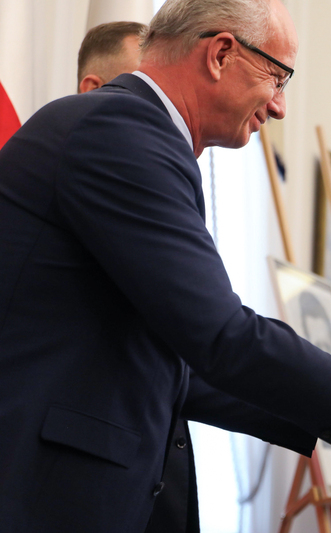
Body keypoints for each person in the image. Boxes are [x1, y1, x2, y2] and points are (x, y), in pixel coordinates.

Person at [0, 0, 331, 531]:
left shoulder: (134, 133)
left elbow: (180, 368)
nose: (281, 106)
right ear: (220, 54)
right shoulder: (122, 129)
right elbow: (222, 336)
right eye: (278, 77)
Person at [78, 20, 202, 533]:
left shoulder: (157, 174)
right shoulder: (86, 159)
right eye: (144, 87)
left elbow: (178, 356)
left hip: (157, 491)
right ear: (95, 90)